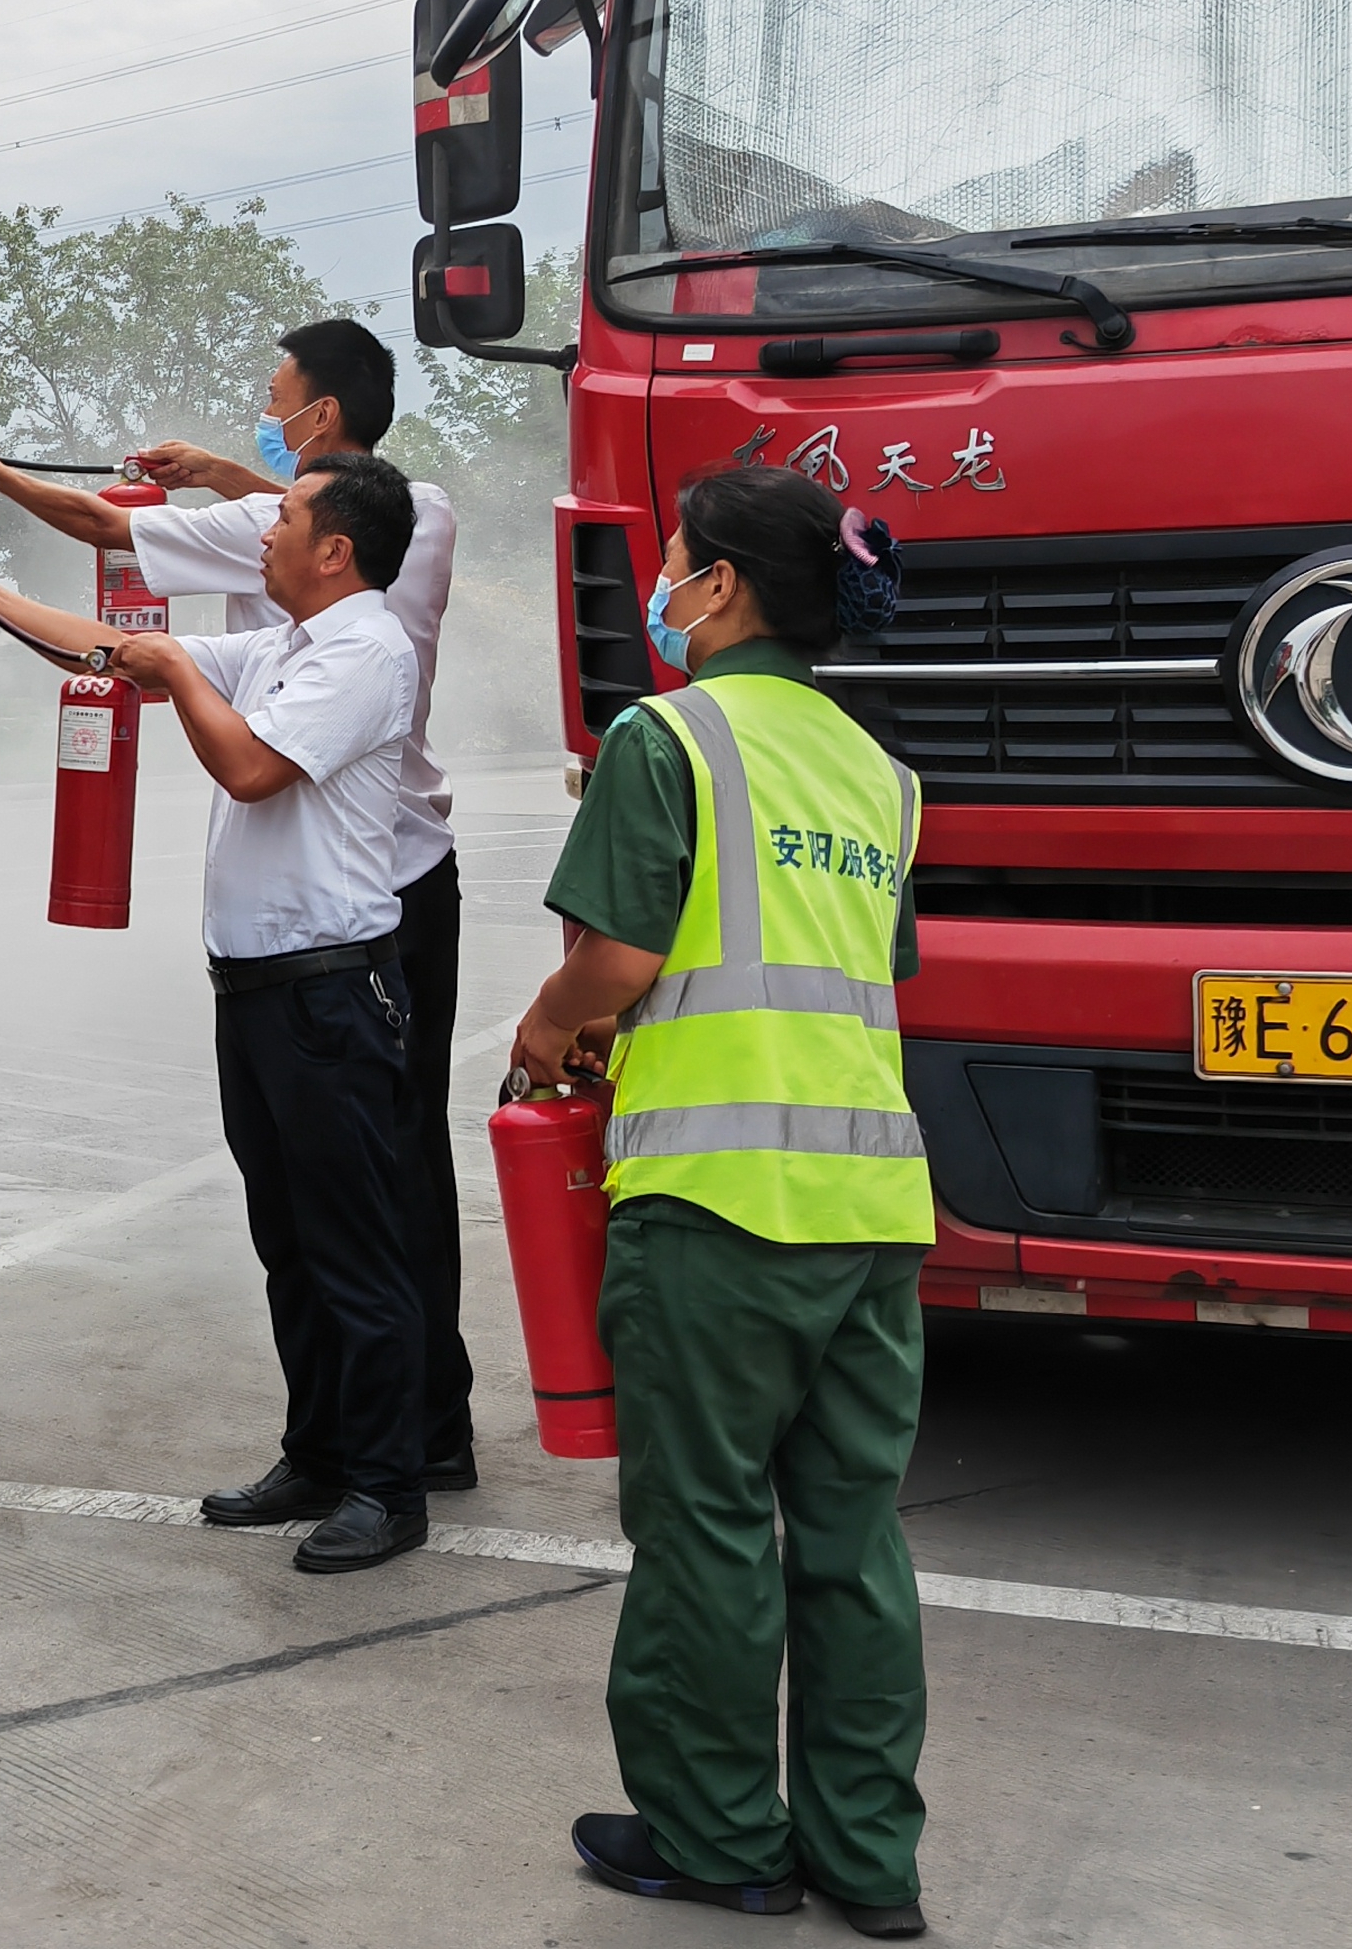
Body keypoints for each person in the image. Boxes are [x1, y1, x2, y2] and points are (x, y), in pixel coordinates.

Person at [0, 320, 474, 1488]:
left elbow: (248, 768)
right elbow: (108, 644)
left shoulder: (362, 648)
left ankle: (396, 1473)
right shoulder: (285, 640)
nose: (260, 519)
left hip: (336, 977)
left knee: (357, 1234)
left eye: (279, 515)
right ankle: (319, 1452)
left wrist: (167, 659)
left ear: (331, 548)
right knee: (290, 1239)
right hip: (264, 985)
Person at [506, 464, 931, 1940]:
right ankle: (868, 1861)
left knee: (702, 1534)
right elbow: (862, 972)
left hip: (715, 1207)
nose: (661, 589)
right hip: (871, 1209)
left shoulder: (666, 736)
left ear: (724, 588)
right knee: (853, 1543)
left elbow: (614, 961)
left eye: (675, 564)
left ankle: (717, 1840)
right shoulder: (882, 772)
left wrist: (542, 1029)